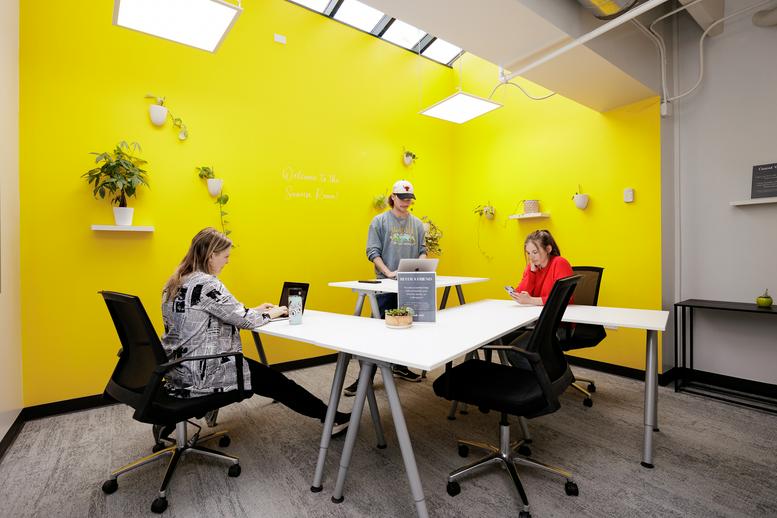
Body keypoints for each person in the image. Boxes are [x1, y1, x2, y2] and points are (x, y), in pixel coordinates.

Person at [161, 228, 350, 436]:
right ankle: (331, 418)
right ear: (211, 255)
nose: (228, 261)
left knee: (268, 378)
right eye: (226, 256)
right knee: (277, 382)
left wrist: (256, 310)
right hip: (204, 372)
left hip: (177, 370)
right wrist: (273, 312)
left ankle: (170, 422)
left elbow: (218, 312)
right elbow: (245, 321)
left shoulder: (176, 281)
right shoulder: (207, 284)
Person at [343, 180, 427, 396]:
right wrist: (388, 272)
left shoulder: (417, 224)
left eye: (409, 199)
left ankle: (400, 366)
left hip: (409, 284)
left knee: (407, 327)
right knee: (377, 332)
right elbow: (372, 251)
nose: (406, 202)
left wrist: (420, 267)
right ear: (393, 197)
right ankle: (365, 378)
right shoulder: (379, 221)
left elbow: (422, 250)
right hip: (385, 284)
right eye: (402, 198)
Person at [510, 229, 573, 306]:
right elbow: (521, 295)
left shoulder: (560, 263)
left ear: (548, 249)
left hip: (562, 311)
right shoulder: (531, 267)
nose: (531, 257)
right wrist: (531, 273)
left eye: (535, 252)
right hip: (537, 311)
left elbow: (563, 297)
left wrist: (531, 300)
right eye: (528, 253)